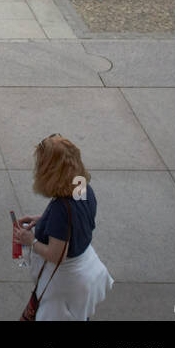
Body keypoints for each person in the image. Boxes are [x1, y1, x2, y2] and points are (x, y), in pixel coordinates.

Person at [13, 135, 113, 321]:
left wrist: (30, 241)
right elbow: (76, 217)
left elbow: (56, 254)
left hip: (66, 283)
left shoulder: (61, 209)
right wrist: (43, 220)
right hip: (87, 274)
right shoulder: (81, 186)